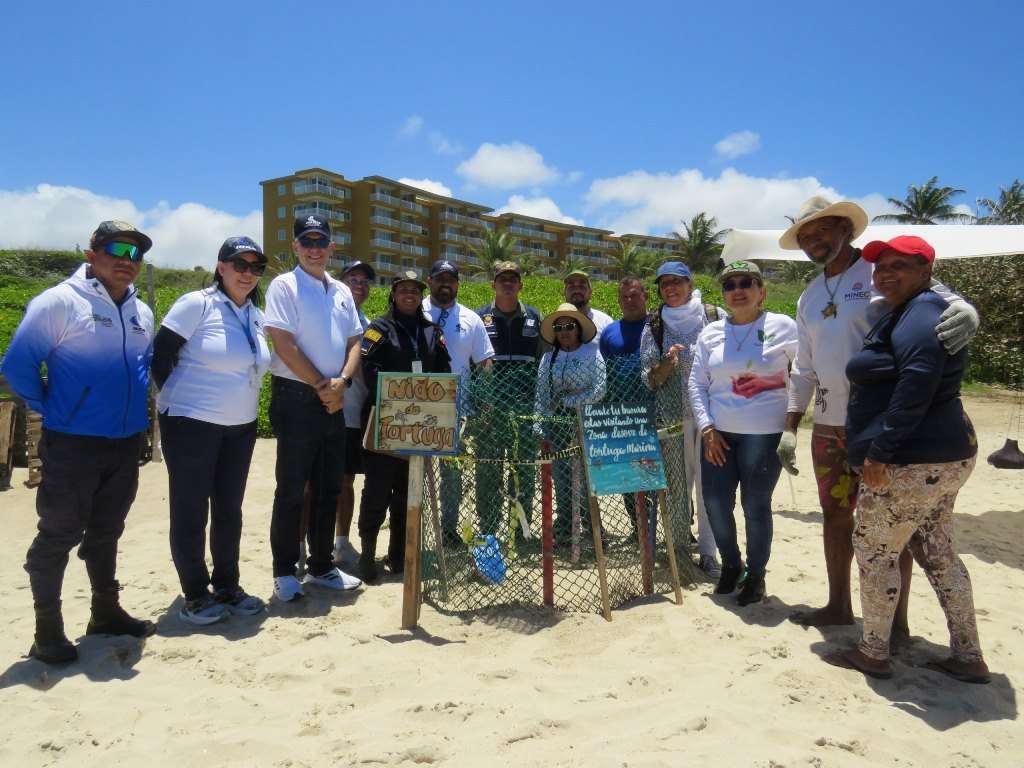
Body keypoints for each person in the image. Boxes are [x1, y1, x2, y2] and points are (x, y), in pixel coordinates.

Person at [778, 197, 980, 631]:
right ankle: (838, 606)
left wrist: (969, 312)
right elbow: (804, 367)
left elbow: (943, 298)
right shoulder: (809, 295)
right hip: (829, 425)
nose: (813, 241)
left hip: (878, 426)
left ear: (844, 229)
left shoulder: (880, 270)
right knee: (834, 517)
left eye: (821, 231)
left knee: (892, 532)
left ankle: (896, 624)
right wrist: (791, 425)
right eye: (805, 236)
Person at [824, 236, 988, 683]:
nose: (885, 274)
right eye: (880, 268)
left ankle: (873, 651)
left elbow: (916, 386)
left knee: (875, 552)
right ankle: (968, 655)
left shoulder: (922, 314)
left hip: (910, 461)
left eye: (899, 265)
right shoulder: (910, 310)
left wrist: (880, 451)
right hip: (942, 457)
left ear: (926, 271)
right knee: (938, 554)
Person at [1, 220, 156, 663]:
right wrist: (53, 408)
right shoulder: (59, 302)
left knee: (108, 530)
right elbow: (17, 365)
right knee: (59, 533)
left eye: (136, 253)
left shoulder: (141, 312)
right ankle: (47, 630)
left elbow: (142, 370)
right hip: (72, 442)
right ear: (91, 254)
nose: (127, 260)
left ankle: (104, 612)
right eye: (117, 250)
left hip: (125, 442)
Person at [151, 236, 271, 625]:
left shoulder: (255, 314)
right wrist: (172, 405)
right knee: (190, 510)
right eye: (240, 265)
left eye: (256, 267)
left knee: (229, 510)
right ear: (221, 267)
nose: (248, 273)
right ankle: (195, 594)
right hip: (191, 423)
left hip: (240, 426)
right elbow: (160, 355)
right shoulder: (196, 304)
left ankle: (227, 586)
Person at [263, 214, 363, 602]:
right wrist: (323, 386)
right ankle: (284, 571)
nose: (314, 249)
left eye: (321, 242)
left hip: (335, 396)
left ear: (331, 247)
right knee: (291, 489)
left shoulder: (341, 290)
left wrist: (343, 383)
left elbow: (355, 342)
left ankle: (322, 566)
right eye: (307, 242)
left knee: (328, 486)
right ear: (295, 246)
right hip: (296, 396)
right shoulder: (284, 285)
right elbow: (284, 345)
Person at [688, 262, 798, 605]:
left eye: (746, 283)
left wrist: (792, 425)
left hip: (764, 435)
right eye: (729, 285)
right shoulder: (711, 333)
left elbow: (804, 373)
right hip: (718, 434)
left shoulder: (783, 326)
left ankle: (756, 574)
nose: (737, 290)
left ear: (761, 291)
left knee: (755, 505)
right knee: (715, 503)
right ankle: (732, 564)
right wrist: (707, 427)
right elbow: (697, 383)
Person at [358, 271, 452, 583]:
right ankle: (367, 555)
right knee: (377, 491)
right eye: (403, 290)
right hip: (386, 422)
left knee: (406, 492)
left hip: (421, 426)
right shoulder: (378, 328)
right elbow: (368, 369)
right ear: (393, 294)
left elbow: (444, 369)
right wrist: (400, 396)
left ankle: (398, 554)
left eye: (415, 290)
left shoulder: (432, 331)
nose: (409, 294)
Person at [640, 262, 720, 577]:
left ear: (690, 284)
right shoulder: (654, 325)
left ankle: (709, 552)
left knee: (710, 489)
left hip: (712, 420)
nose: (671, 288)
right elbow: (649, 379)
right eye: (664, 284)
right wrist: (666, 364)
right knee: (677, 489)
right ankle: (680, 552)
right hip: (672, 421)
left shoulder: (714, 316)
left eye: (677, 281)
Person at [422, 259, 494, 544]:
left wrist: (485, 402)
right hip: (418, 407)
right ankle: (412, 529)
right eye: (440, 278)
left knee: (452, 474)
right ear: (429, 281)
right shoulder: (416, 310)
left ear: (457, 284)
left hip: (458, 411)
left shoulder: (471, 318)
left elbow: (485, 363)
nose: (445, 284)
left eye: (450, 279)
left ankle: (448, 529)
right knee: (414, 473)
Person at [472, 262, 544, 539]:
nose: (507, 283)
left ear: (520, 285)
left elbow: (542, 362)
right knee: (488, 471)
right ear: (493, 284)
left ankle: (520, 533)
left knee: (523, 473)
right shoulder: (479, 317)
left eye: (513, 279)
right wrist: (480, 404)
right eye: (502, 279)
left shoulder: (534, 317)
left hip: (524, 410)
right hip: (489, 411)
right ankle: (488, 531)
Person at [535, 303, 606, 546]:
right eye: (559, 327)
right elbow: (542, 393)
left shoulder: (592, 353)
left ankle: (593, 527)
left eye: (569, 326)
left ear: (578, 328)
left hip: (584, 421)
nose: (564, 331)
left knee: (586, 478)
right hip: (556, 425)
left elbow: (600, 389)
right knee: (561, 477)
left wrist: (569, 400)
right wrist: (539, 423)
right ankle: (565, 525)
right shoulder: (548, 358)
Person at [599, 277, 655, 539]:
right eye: (624, 297)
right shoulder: (609, 332)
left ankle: (678, 528)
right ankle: (637, 528)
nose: (629, 301)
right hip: (622, 414)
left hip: (656, 412)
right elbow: (605, 372)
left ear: (645, 296)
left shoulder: (657, 326)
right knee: (629, 476)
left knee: (664, 474)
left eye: (634, 295)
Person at [333, 260, 376, 568]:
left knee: (346, 481)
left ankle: (341, 543)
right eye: (353, 279)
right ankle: (302, 547)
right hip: (325, 410)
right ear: (341, 283)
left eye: (364, 281)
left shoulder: (370, 325)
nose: (359, 286)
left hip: (355, 414)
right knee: (313, 484)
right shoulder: (330, 317)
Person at [564, 269, 614, 345]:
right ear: (564, 292)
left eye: (582, 287)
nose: (576, 291)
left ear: (590, 293)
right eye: (571, 287)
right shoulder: (553, 323)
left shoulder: (605, 322)